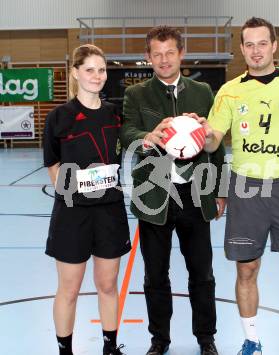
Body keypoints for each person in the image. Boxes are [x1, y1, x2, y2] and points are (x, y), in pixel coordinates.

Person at [202, 17, 279, 355]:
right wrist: (197, 132)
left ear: (274, 45)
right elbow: (214, 143)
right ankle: (251, 340)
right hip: (245, 189)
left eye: (262, 43)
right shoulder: (230, 90)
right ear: (241, 49)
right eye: (249, 44)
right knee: (247, 269)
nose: (256, 51)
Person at [121, 26, 225, 355]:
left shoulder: (203, 91)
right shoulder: (136, 94)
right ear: (148, 57)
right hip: (154, 198)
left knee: (203, 274)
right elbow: (126, 132)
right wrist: (148, 136)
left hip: (195, 195)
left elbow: (217, 144)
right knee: (155, 275)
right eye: (157, 54)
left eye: (170, 52)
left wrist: (221, 189)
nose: (164, 60)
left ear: (181, 53)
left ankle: (206, 338)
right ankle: (159, 340)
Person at [43, 44, 130, 355]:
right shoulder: (58, 117)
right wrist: (71, 189)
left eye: (102, 69)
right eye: (90, 69)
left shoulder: (116, 114)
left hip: (109, 212)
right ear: (76, 73)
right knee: (69, 289)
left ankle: (110, 346)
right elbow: (53, 164)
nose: (97, 75)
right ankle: (65, 350)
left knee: (107, 285)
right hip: (72, 214)